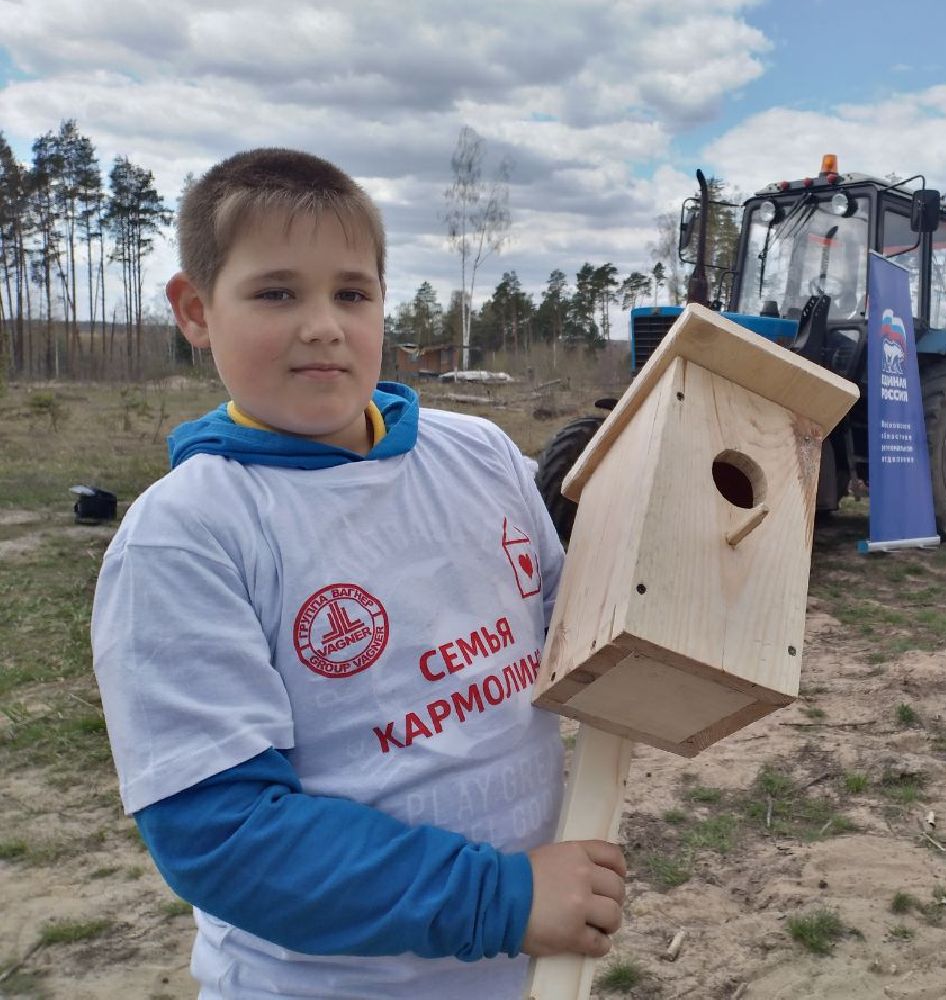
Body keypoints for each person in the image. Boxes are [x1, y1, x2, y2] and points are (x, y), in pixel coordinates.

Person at [91, 148, 625, 999]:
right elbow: (223, 836)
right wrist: (504, 895)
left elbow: (571, 631)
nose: (322, 326)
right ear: (196, 310)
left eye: (351, 293)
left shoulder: (480, 455)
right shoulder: (189, 535)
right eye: (275, 293)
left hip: (522, 971)